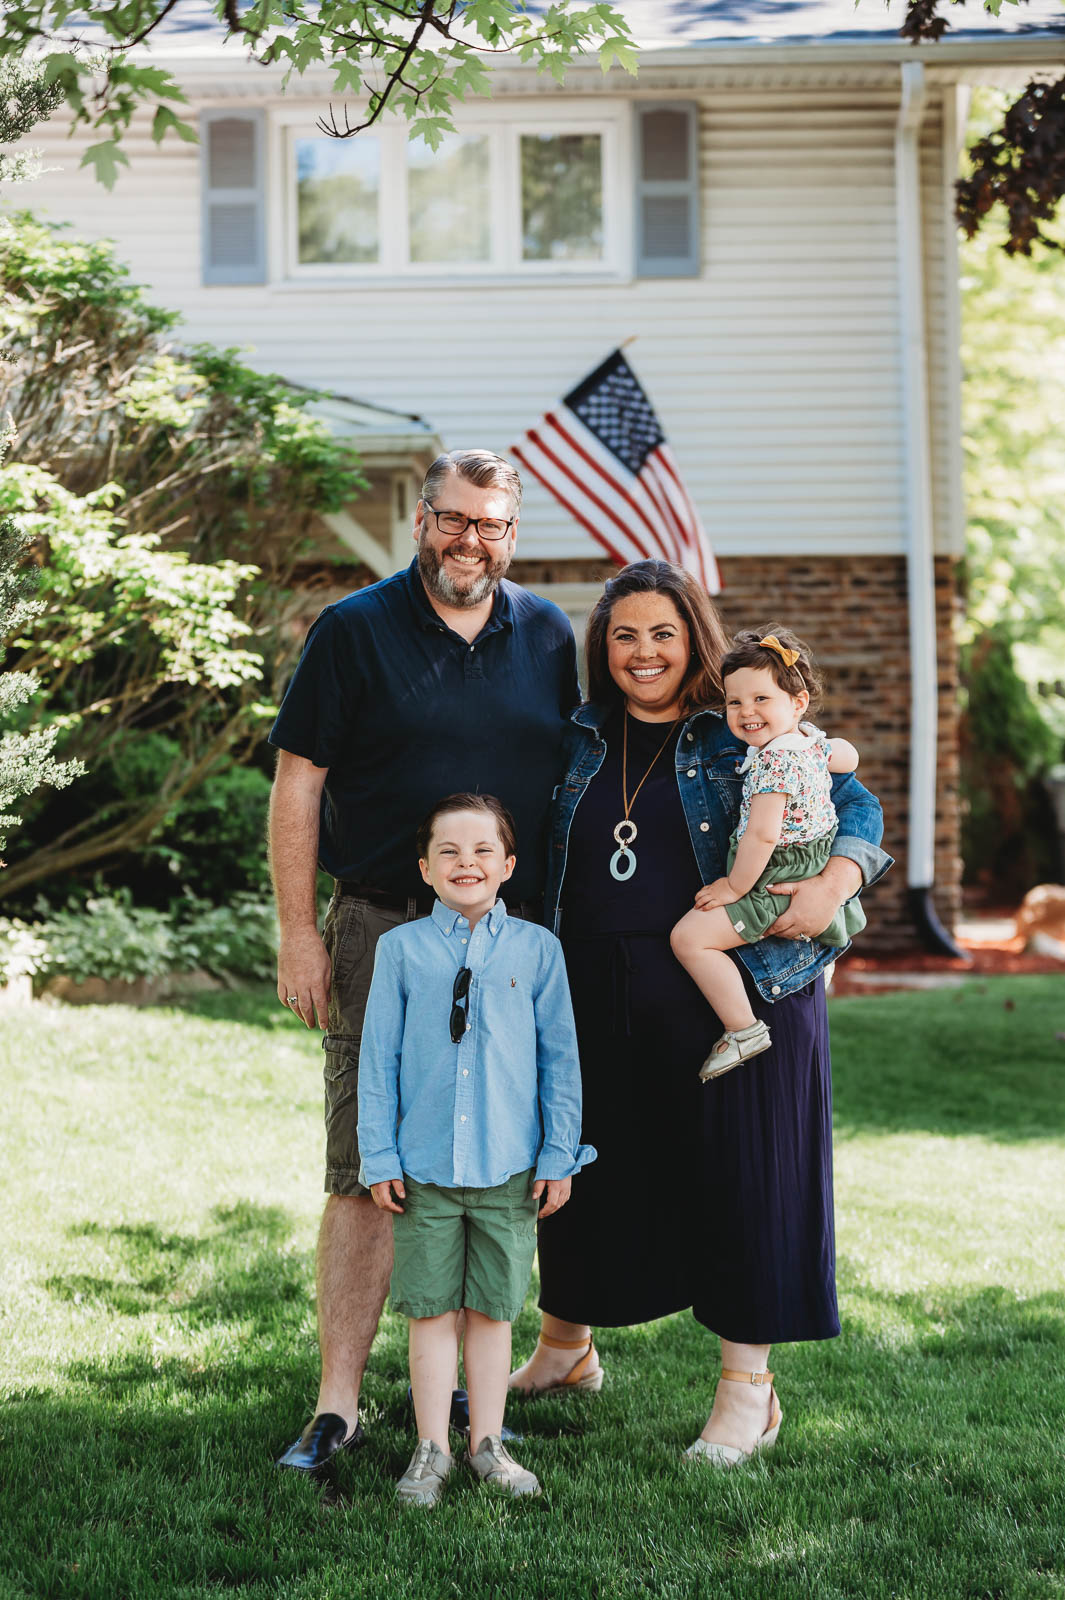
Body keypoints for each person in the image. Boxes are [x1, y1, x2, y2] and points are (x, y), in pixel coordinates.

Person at [509, 560, 892, 1467]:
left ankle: (748, 1395)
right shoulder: (577, 736)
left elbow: (855, 801)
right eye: (624, 636)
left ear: (697, 643)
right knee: (585, 1168)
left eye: (664, 634)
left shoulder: (744, 727)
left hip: (742, 985)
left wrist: (838, 877)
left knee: (743, 1182)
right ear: (603, 650)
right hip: (594, 988)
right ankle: (565, 1351)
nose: (644, 653)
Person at [269, 450, 579, 1475]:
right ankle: (339, 1408)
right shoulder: (354, 630)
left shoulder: (546, 635)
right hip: (378, 931)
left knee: (491, 1164)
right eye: (451, 520)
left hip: (508, 944)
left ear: (513, 533)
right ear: (419, 521)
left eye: (490, 525)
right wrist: (302, 929)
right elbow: (298, 782)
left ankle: (470, 1403)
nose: (468, 541)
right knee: (369, 1168)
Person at [357, 793, 594, 1507]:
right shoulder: (399, 950)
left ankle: (485, 1442)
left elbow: (561, 1059)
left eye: (483, 850)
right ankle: (430, 1449)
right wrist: (379, 1157)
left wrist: (558, 1154)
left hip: (509, 1169)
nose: (467, 863)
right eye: (450, 853)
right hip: (423, 1167)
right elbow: (377, 1061)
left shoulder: (537, 951)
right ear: (425, 868)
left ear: (508, 866)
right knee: (430, 1310)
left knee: (493, 1311)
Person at [670, 627, 863, 1082]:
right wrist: (824, 748)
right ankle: (823, 955)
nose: (746, 712)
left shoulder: (774, 762)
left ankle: (743, 1029)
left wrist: (733, 887)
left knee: (690, 939)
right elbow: (850, 757)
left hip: (774, 872)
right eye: (734, 703)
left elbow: (761, 837)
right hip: (808, 857)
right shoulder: (807, 742)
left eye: (761, 699)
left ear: (797, 702)